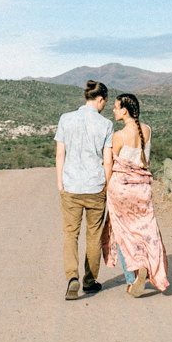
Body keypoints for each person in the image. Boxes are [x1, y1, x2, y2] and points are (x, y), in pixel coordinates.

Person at [101, 93, 169, 296]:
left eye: (115, 107)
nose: (113, 110)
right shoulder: (147, 130)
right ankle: (148, 265)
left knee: (123, 234)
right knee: (146, 231)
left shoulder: (118, 136)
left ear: (124, 110)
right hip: (143, 190)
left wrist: (105, 188)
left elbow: (109, 165)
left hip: (121, 189)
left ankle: (132, 279)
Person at [54, 79, 114, 300]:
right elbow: (107, 161)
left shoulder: (65, 119)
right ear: (100, 99)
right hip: (95, 186)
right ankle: (89, 281)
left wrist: (60, 183)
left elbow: (60, 154)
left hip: (71, 186)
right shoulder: (106, 125)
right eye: (104, 103)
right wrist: (106, 185)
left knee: (70, 234)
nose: (104, 106)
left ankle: (72, 277)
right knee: (94, 235)